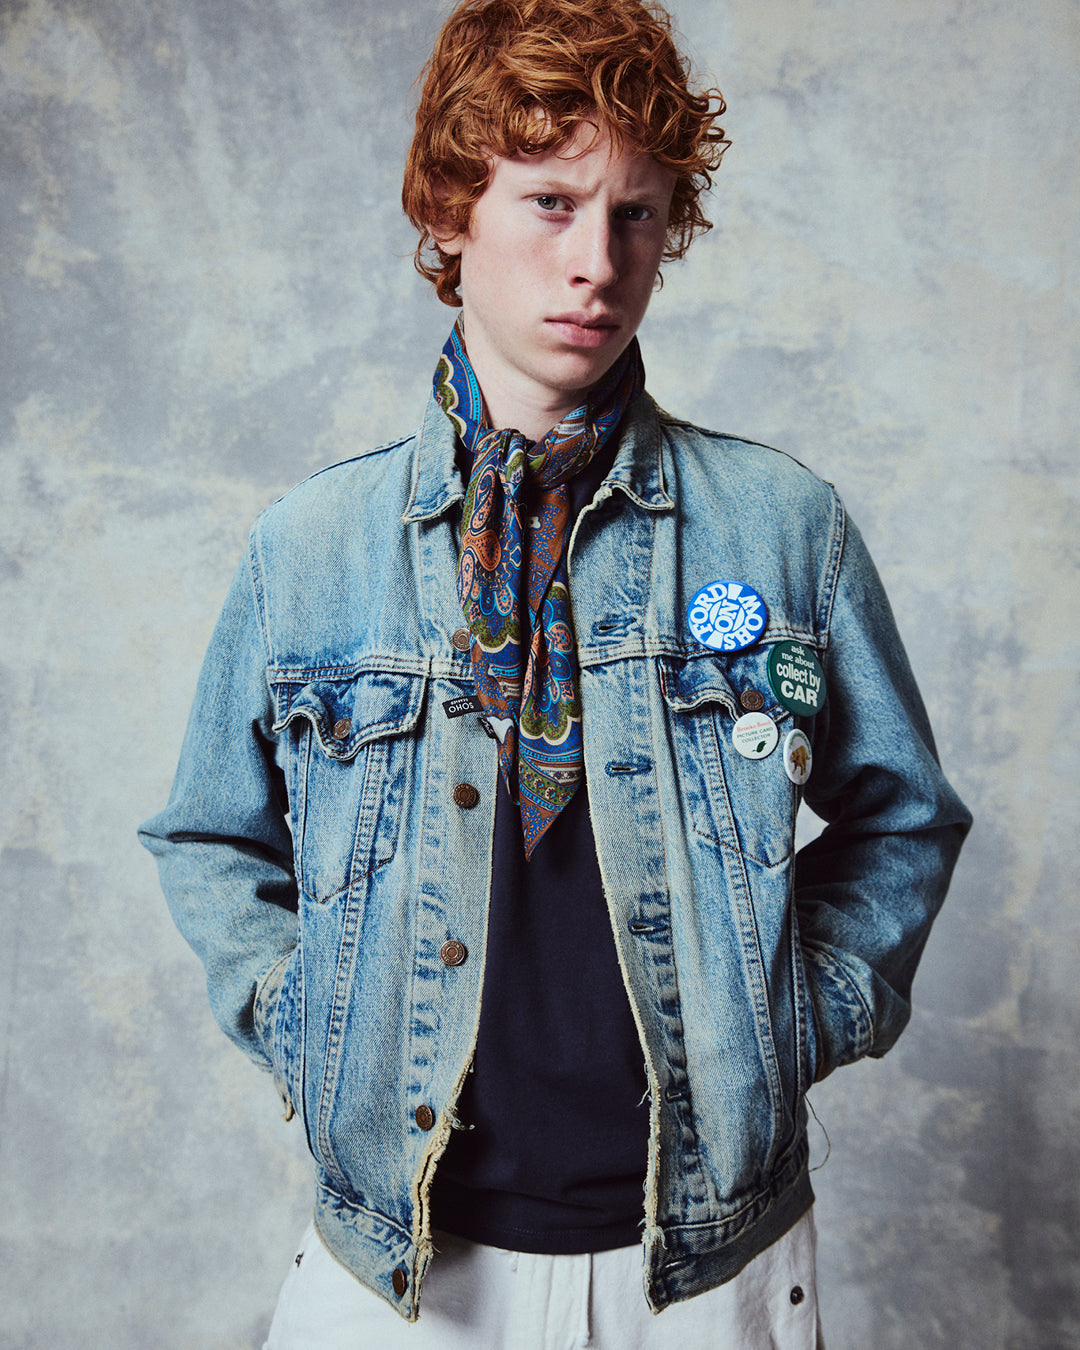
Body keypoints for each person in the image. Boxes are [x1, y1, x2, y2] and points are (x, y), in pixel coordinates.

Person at [139, 0, 971, 1344]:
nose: (597, 260)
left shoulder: (779, 527)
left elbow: (904, 816)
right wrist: (313, 1026)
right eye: (549, 201)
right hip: (398, 1273)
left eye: (636, 213)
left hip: (710, 1271)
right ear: (453, 207)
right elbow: (205, 835)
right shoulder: (309, 550)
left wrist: (790, 1016)